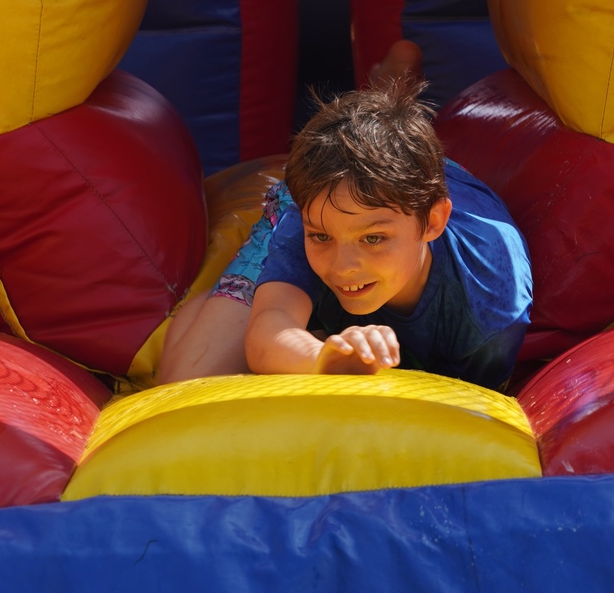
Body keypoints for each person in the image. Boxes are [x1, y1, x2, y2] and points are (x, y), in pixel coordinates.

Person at [157, 45, 532, 391]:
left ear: (433, 224)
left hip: (414, 193)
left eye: (374, 239)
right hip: (343, 192)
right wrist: (322, 359)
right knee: (189, 380)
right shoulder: (317, 215)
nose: (344, 267)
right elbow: (271, 331)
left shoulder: (490, 306)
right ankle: (384, 89)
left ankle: (388, 87)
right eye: (321, 239)